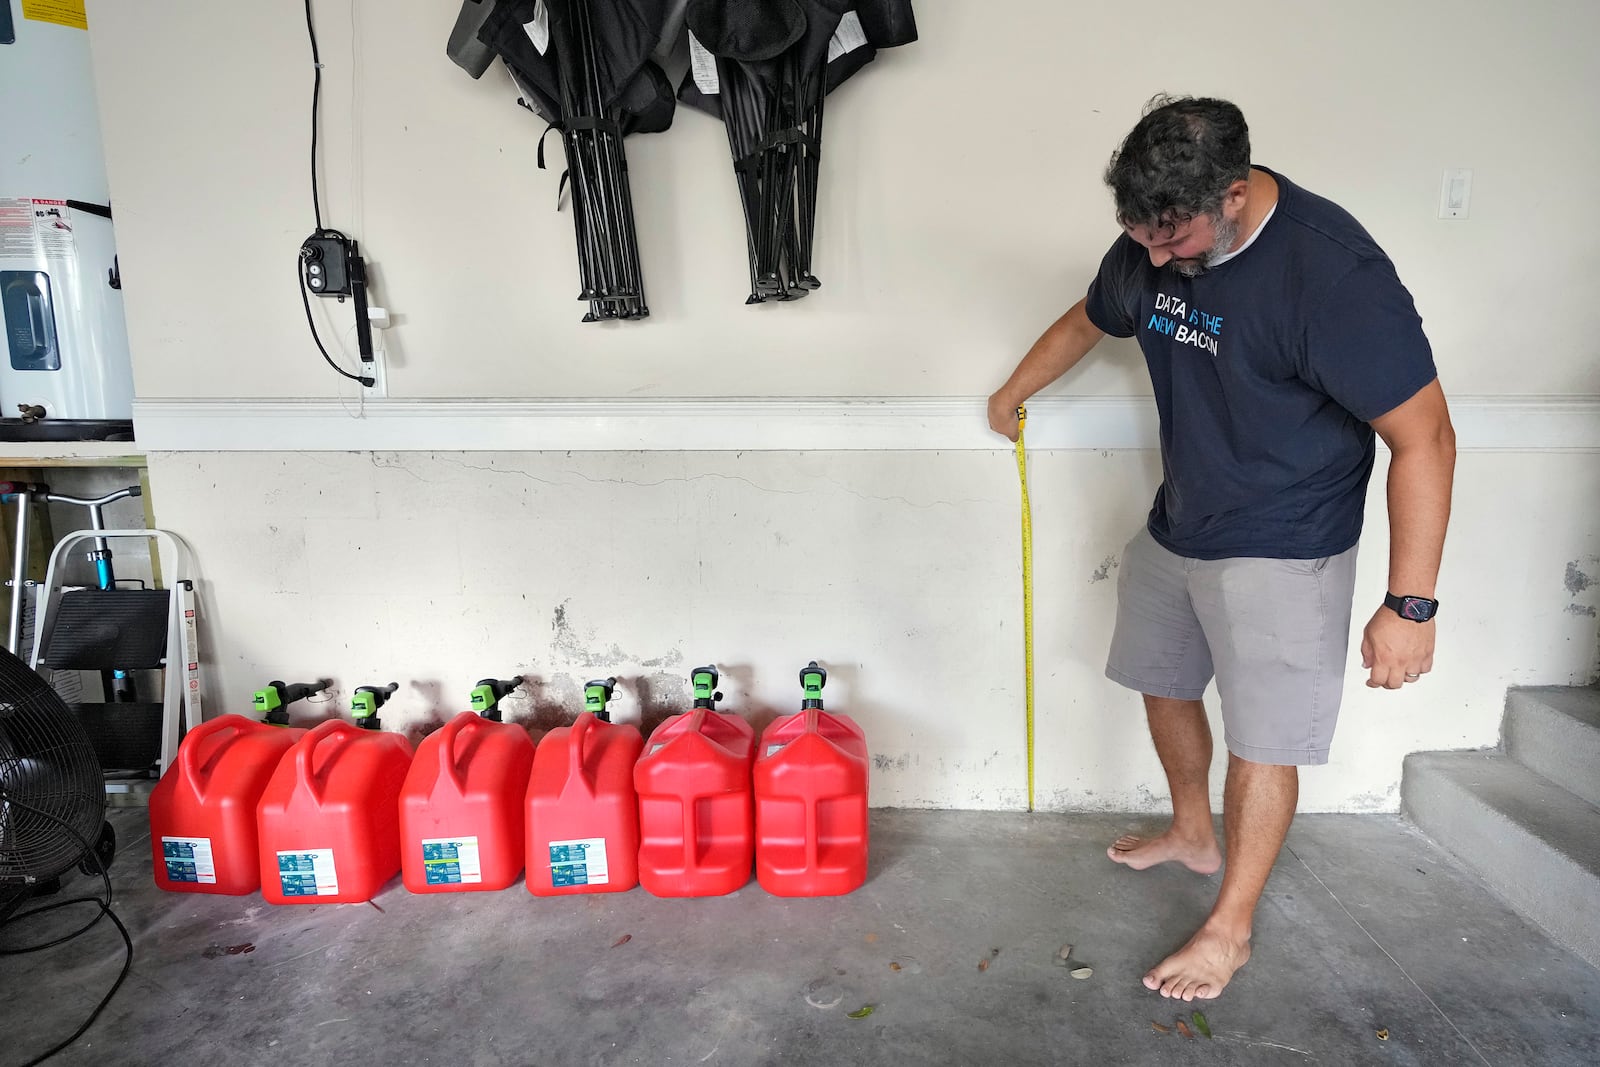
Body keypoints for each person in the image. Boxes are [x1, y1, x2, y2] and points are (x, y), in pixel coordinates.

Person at [987, 95, 1456, 1001]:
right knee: (1160, 679)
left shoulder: (1333, 276)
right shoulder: (1153, 239)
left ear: (1234, 194)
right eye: (1142, 238)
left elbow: (1425, 438)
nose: (1156, 261)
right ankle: (1192, 834)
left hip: (1287, 540)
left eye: (1174, 239)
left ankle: (1229, 931)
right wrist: (1013, 390)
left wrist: (1411, 604)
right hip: (1186, 517)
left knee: (1264, 739)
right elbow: (1092, 316)